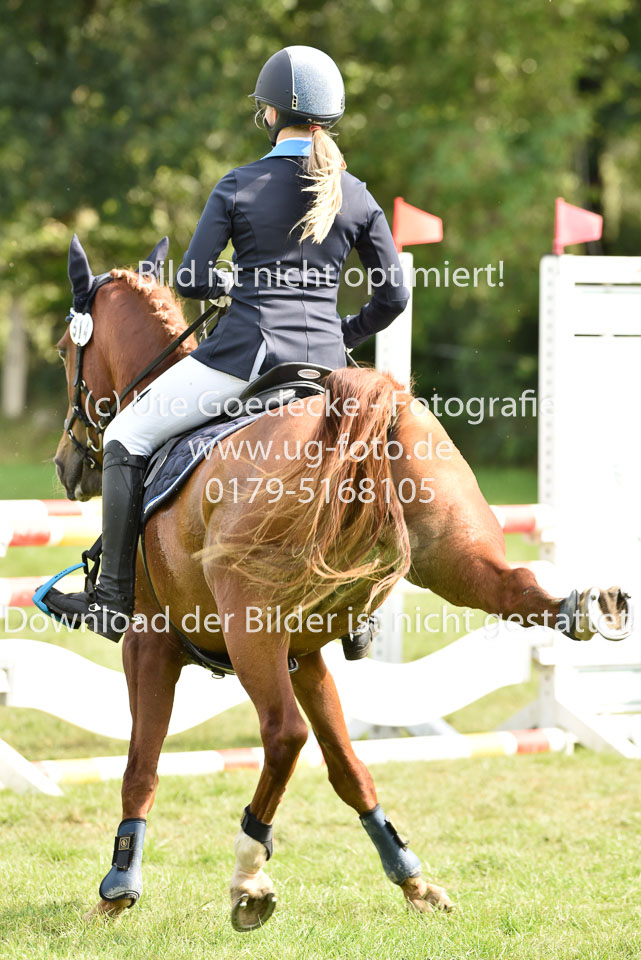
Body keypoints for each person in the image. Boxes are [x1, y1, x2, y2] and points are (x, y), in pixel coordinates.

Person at [45, 44, 410, 643]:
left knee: (125, 433)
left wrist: (237, 285)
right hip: (327, 373)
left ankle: (110, 599)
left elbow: (191, 277)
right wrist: (341, 335)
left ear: (270, 113)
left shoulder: (240, 184)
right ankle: (357, 611)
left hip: (247, 361)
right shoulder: (357, 194)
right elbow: (394, 298)